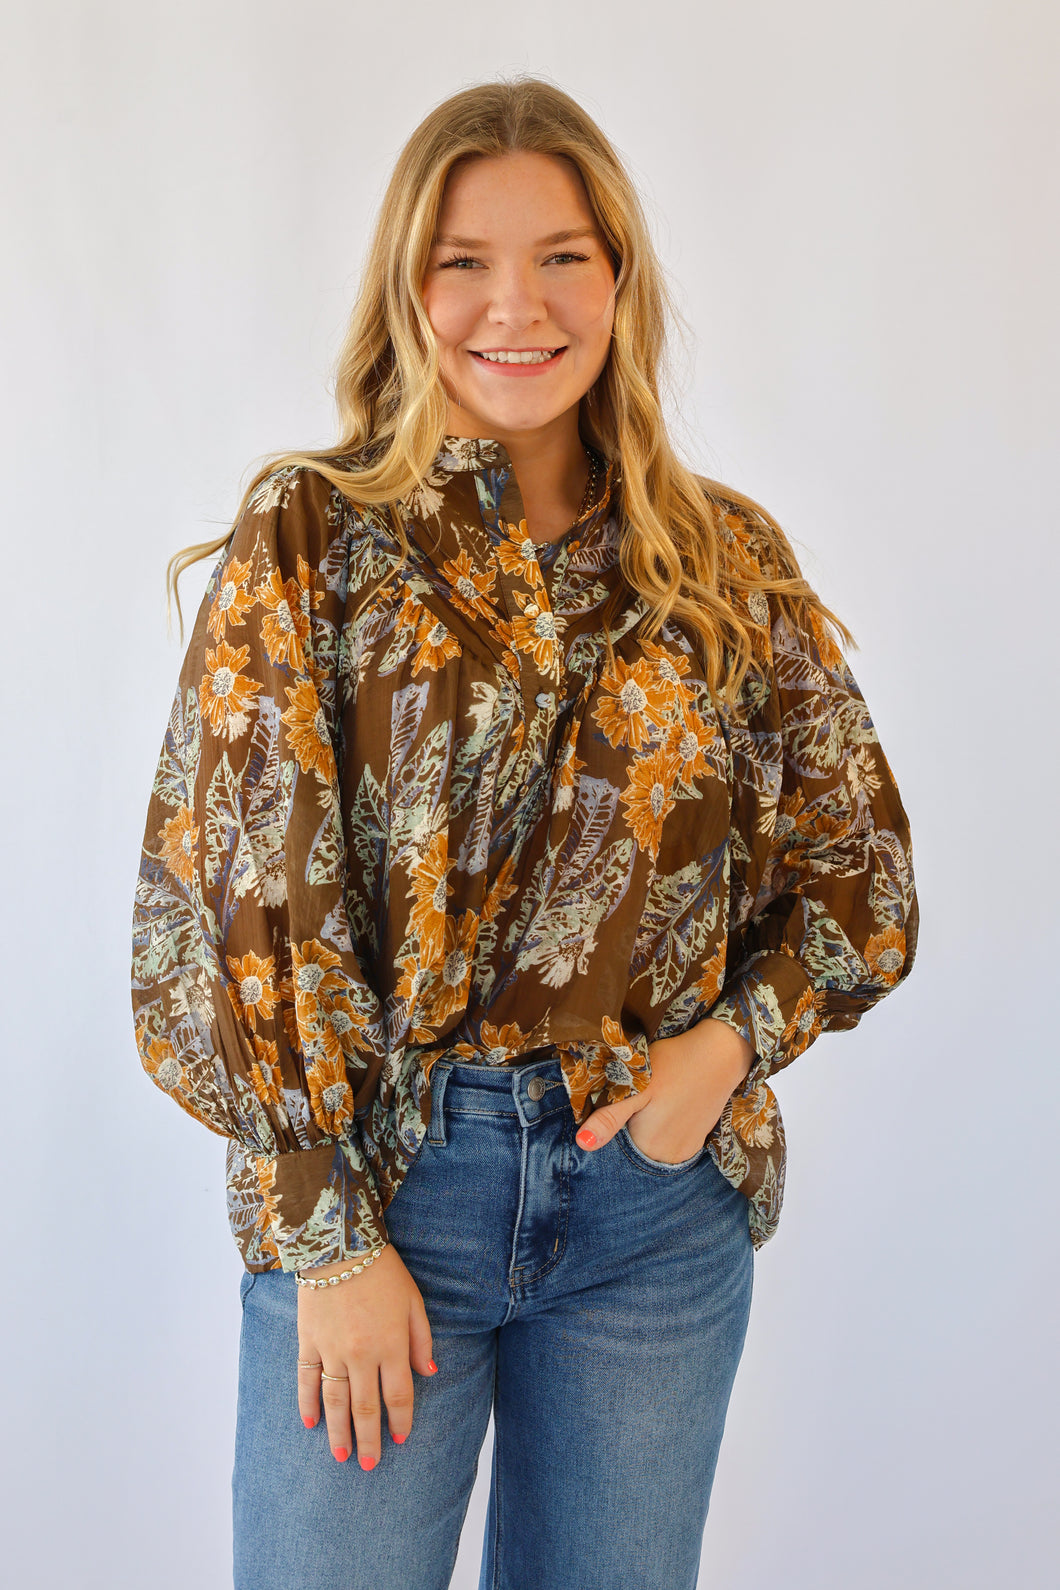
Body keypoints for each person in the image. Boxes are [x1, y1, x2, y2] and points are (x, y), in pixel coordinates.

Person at [130, 75, 919, 1590]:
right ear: (407, 288)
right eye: (465, 261)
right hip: (385, 1191)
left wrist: (725, 1049)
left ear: (618, 277)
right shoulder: (313, 536)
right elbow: (237, 911)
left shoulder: (723, 560)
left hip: (650, 1213)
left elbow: (860, 872)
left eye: (563, 256)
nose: (518, 305)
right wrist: (328, 1234)